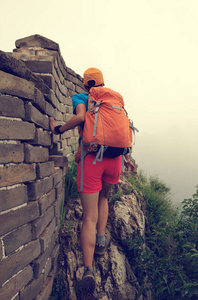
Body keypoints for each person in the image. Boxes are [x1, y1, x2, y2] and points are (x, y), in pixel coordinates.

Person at [49, 67, 122, 298]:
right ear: (102, 83)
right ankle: (101, 242)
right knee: (104, 197)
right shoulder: (114, 98)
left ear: (85, 84)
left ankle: (88, 270)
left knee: (88, 216)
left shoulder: (82, 97)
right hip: (115, 159)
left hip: (92, 158)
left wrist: (59, 129)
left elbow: (81, 117)